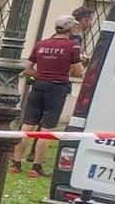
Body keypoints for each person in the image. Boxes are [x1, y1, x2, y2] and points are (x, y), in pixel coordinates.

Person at [15, 14, 85, 177]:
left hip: (38, 87)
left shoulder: (41, 44)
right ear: (70, 28)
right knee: (46, 129)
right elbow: (79, 71)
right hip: (57, 89)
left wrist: (40, 74)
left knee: (27, 126)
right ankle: (36, 167)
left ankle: (16, 163)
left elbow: (26, 69)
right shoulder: (72, 47)